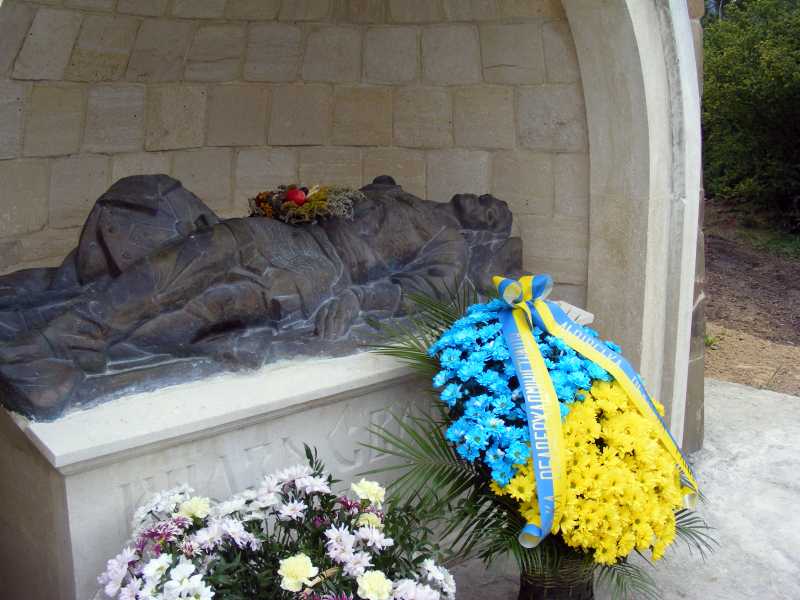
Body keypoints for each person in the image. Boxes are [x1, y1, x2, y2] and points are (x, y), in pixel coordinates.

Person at [0, 175, 521, 418]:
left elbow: (422, 291)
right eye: (490, 198)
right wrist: (295, 206)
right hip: (282, 236)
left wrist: (360, 302)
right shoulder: (394, 189)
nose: (488, 202)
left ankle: (64, 348)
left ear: (485, 231)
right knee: (187, 259)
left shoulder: (449, 244)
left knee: (207, 305)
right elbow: (333, 201)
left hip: (319, 276)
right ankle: (57, 334)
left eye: (494, 213)